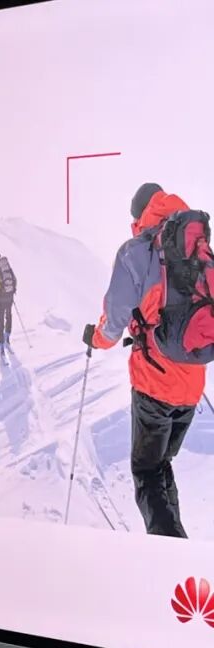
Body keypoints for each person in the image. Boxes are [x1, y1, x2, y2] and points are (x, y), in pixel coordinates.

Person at [83, 182, 203, 538]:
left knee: (147, 471)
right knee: (161, 464)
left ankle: (171, 554)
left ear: (138, 216)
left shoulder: (136, 250)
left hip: (155, 383)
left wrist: (95, 338)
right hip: (192, 382)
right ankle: (177, 544)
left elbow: (114, 321)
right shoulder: (196, 245)